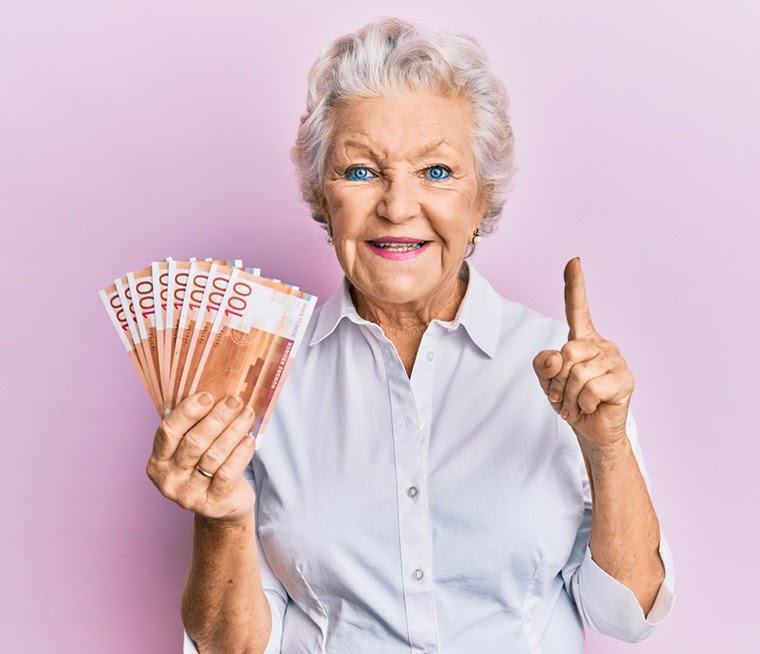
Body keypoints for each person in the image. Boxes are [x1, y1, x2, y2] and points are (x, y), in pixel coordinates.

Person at [146, 17, 675, 653]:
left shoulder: (567, 372)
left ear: (482, 201)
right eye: (362, 172)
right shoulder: (258, 378)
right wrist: (222, 518)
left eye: (437, 172)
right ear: (321, 195)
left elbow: (631, 616)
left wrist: (607, 447)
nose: (397, 206)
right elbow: (231, 650)